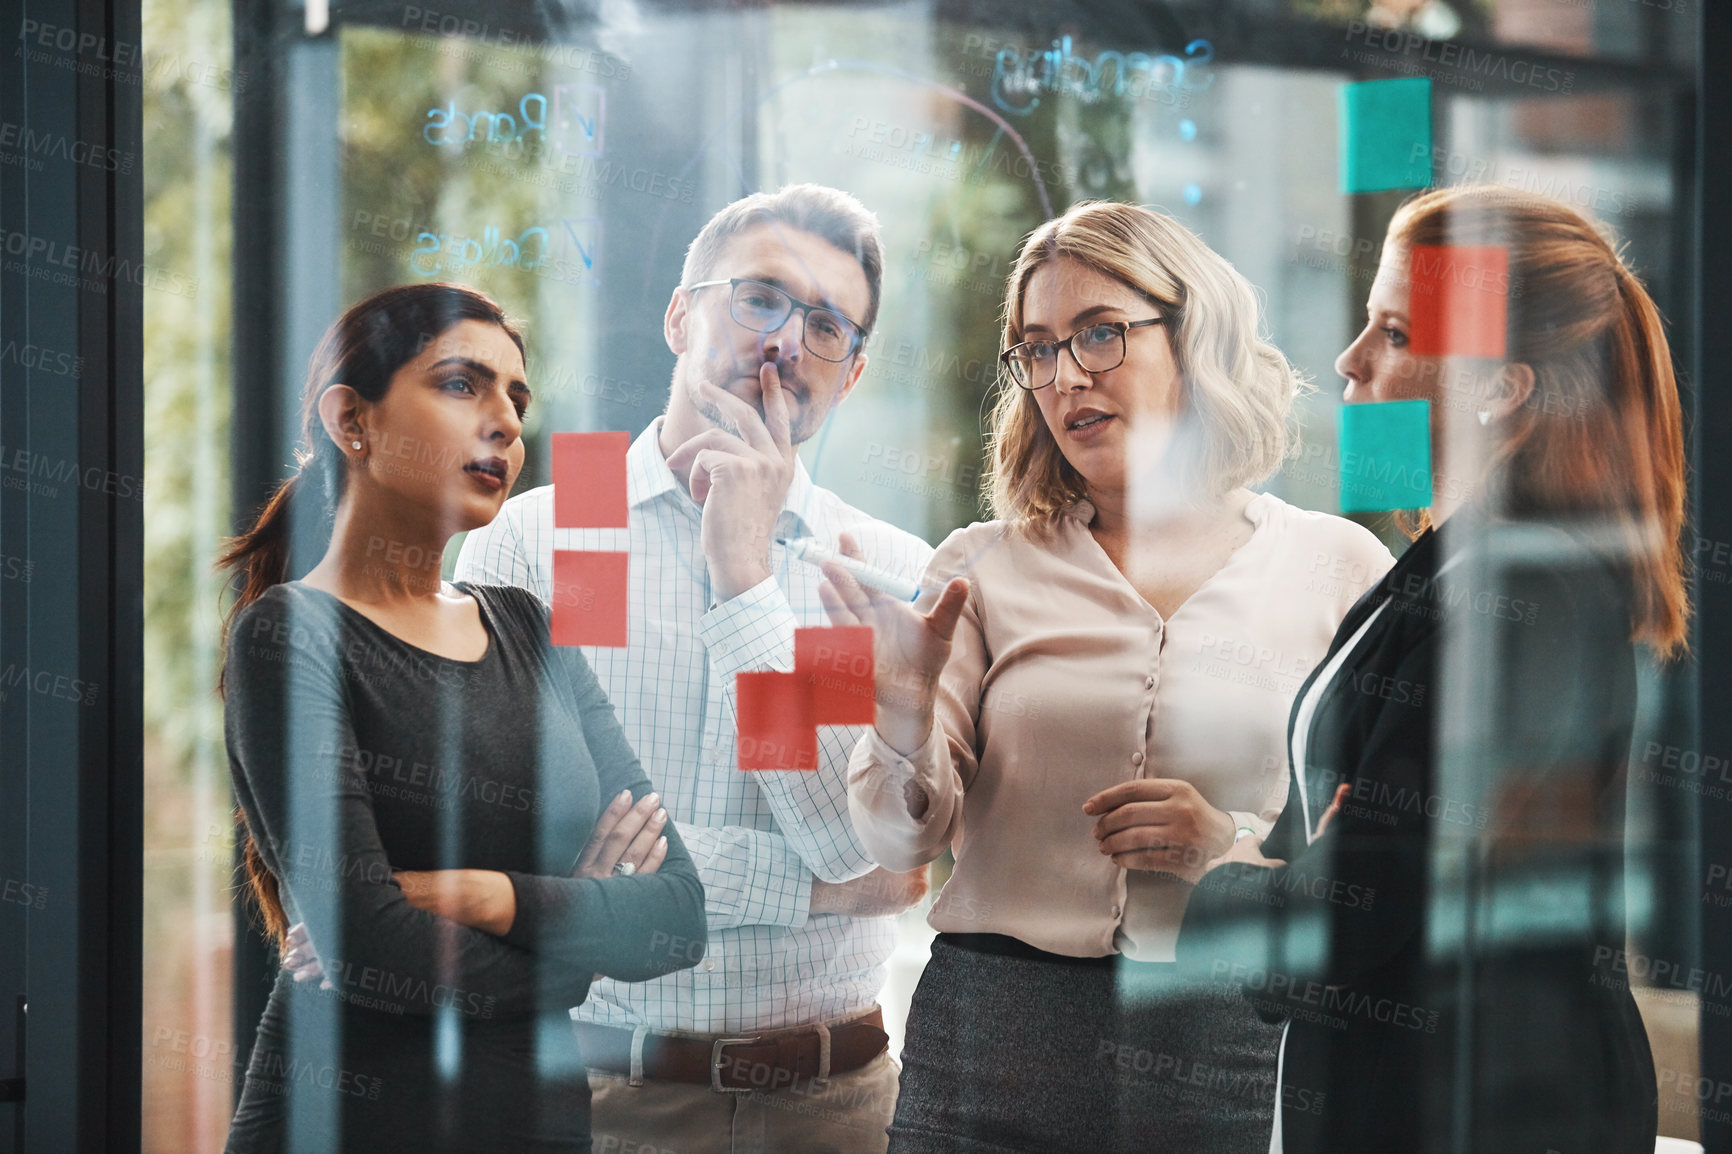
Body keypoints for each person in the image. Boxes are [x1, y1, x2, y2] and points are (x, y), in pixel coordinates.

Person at [818, 200, 1395, 1153]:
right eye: (1036, 350)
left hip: (1237, 1036)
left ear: (1194, 334)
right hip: (995, 1036)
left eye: (1098, 335)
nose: (1065, 376)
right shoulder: (977, 569)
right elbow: (893, 839)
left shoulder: (1339, 566)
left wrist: (1234, 844)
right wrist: (903, 710)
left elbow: (1377, 856)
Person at [1179, 185, 1681, 1153]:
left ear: (1500, 385)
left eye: (1394, 330)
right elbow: (1337, 848)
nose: (1350, 359)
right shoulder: (1454, 564)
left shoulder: (1528, 587)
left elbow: (1361, 908)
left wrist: (1229, 878)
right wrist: (1291, 854)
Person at [453, 184, 933, 1153]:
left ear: (852, 370)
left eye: (828, 324)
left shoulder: (867, 564)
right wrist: (804, 892)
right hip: (601, 1101)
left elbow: (846, 840)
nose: (788, 339)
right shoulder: (543, 534)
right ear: (679, 314)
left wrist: (745, 574)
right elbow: (516, 843)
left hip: (831, 1108)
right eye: (759, 295)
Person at [221, 282, 707, 1152]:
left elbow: (676, 915)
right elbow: (373, 947)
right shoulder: (289, 637)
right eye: (461, 385)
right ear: (351, 419)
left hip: (537, 1121)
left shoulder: (528, 623)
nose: (507, 423)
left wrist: (478, 895)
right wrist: (585, 934)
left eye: (517, 399)